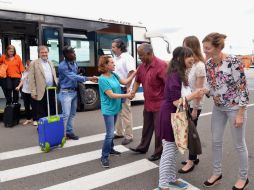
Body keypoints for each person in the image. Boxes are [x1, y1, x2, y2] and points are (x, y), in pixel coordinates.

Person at [202, 32, 249, 190]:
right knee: (216, 141)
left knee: (239, 145)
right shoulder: (208, 64)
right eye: (204, 48)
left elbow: (243, 88)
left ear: (217, 47)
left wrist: (241, 114)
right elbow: (210, 85)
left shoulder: (233, 61)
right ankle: (217, 173)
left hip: (235, 108)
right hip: (218, 108)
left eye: (207, 48)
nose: (204, 51)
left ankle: (243, 178)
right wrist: (203, 91)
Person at [156, 47, 205, 190]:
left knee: (175, 150)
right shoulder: (174, 75)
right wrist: (195, 95)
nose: (192, 59)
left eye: (192, 56)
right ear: (179, 59)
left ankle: (171, 178)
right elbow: (176, 102)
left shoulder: (182, 74)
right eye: (188, 56)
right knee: (169, 151)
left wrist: (197, 93)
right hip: (171, 116)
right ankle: (163, 182)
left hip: (179, 116)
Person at [130, 43, 166, 161]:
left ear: (149, 53)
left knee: (159, 129)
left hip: (160, 104)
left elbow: (168, 85)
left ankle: (158, 152)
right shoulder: (142, 66)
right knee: (146, 127)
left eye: (141, 55)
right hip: (148, 103)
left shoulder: (161, 65)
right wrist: (133, 92)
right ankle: (142, 147)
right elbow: (137, 81)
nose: (140, 58)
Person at [98, 55, 135, 168]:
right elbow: (111, 95)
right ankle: (104, 157)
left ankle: (111, 149)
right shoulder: (102, 79)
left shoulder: (114, 74)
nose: (114, 64)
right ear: (105, 65)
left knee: (111, 130)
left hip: (115, 107)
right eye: (111, 63)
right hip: (108, 109)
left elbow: (124, 82)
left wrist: (134, 73)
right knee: (109, 134)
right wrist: (127, 95)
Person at [178, 36, 206, 174]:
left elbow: (199, 90)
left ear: (191, 47)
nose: (183, 49)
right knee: (188, 131)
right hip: (187, 102)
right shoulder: (190, 64)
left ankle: (191, 161)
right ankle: (193, 158)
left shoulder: (200, 65)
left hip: (195, 104)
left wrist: (195, 108)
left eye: (185, 46)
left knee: (191, 133)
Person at [58, 46, 97, 140]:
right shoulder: (62, 65)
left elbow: (75, 74)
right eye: (71, 52)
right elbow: (73, 77)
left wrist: (80, 72)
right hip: (66, 93)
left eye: (74, 52)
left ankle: (69, 132)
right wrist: (89, 78)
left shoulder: (74, 63)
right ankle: (61, 135)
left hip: (74, 91)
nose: (74, 54)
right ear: (66, 55)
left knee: (72, 114)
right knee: (65, 115)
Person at [111, 39, 136, 145]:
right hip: (116, 87)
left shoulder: (127, 58)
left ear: (119, 48)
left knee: (125, 112)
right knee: (118, 111)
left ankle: (129, 135)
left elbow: (131, 72)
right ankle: (119, 132)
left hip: (124, 87)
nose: (112, 49)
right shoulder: (115, 58)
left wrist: (128, 88)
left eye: (113, 47)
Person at [29, 46, 58, 126]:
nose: (44, 54)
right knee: (41, 110)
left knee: (52, 109)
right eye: (42, 52)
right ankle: (42, 127)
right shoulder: (34, 63)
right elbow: (31, 79)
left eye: (45, 52)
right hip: (40, 90)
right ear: (39, 53)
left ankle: (51, 126)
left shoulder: (51, 62)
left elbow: (53, 75)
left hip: (51, 89)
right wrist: (33, 92)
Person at [16, 60, 36, 125]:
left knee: (34, 106)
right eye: (27, 66)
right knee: (26, 106)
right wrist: (18, 87)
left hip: (32, 91)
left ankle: (35, 120)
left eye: (29, 66)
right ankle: (28, 119)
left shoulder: (35, 73)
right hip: (24, 91)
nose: (28, 67)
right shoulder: (24, 73)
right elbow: (22, 81)